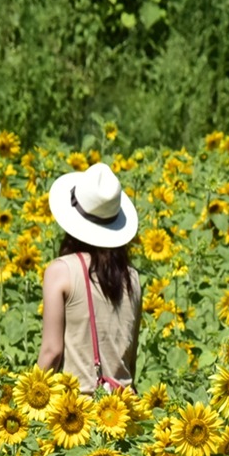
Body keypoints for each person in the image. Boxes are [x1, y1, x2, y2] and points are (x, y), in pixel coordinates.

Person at [38, 162, 142, 393]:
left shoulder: (62, 271)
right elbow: (130, 358)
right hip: (123, 410)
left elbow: (51, 352)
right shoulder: (132, 278)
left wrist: (27, 396)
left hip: (76, 415)